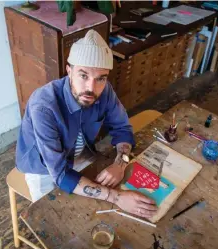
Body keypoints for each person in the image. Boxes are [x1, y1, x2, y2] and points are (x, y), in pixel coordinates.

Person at [16, 30, 157, 218]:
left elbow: (122, 128)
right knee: (57, 218)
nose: (91, 88)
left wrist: (120, 164)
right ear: (69, 71)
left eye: (101, 78)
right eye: (83, 75)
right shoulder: (44, 107)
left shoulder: (104, 91)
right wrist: (116, 197)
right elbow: (60, 174)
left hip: (81, 155)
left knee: (97, 213)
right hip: (43, 168)